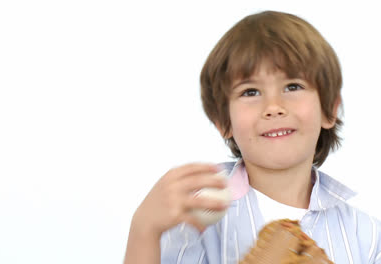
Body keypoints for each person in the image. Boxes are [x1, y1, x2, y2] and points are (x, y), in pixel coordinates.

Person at [124, 10, 381, 264]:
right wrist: (144, 230)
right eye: (250, 92)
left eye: (292, 86)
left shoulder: (367, 236)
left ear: (329, 109)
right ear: (223, 121)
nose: (273, 106)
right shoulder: (196, 218)